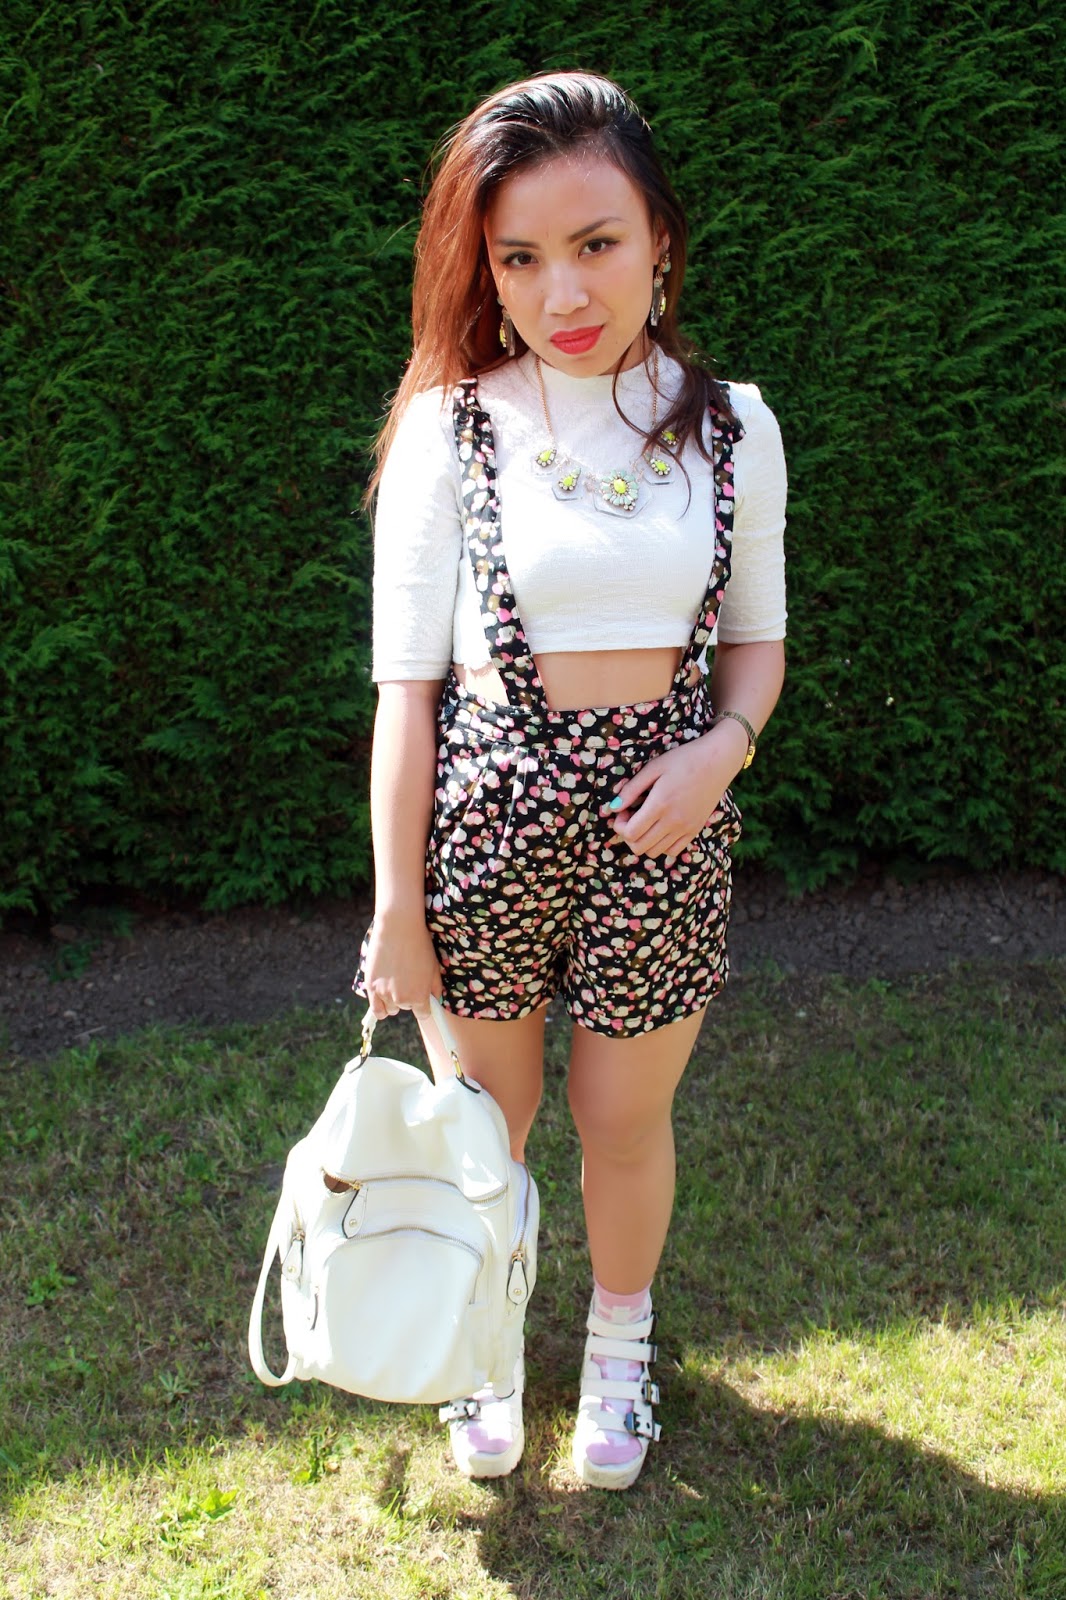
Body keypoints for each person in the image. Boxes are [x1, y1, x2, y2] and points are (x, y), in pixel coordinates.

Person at [353, 70, 787, 1491]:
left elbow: (757, 645)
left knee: (622, 1116)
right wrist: (396, 908)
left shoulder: (735, 426)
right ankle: (484, 1342)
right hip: (486, 822)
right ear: (485, 269)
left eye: (595, 243)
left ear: (660, 237)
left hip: (666, 827)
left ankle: (617, 1341)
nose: (564, 292)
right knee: (487, 1123)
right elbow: (406, 693)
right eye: (520, 257)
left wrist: (718, 755)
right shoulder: (450, 424)